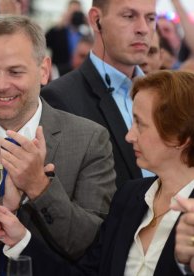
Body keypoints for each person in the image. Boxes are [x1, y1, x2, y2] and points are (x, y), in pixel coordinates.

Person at [0, 15, 116, 275]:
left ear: (44, 70)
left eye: (15, 71)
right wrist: (1, 209)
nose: (1, 85)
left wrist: (39, 187)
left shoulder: (90, 139)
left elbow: (92, 243)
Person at [0, 70, 194, 276]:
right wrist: (20, 239)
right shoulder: (130, 197)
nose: (129, 136)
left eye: (141, 124)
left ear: (180, 137)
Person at [41, 0, 157, 188]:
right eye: (129, 16)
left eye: (150, 18)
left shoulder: (163, 93)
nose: (143, 28)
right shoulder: (60, 98)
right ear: (96, 20)